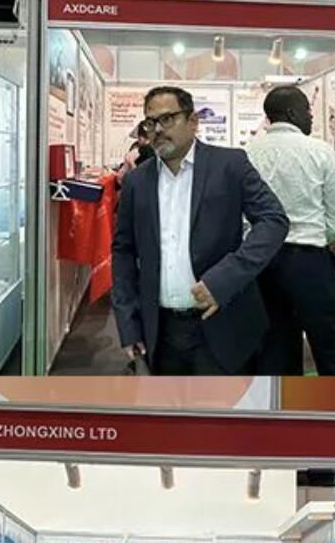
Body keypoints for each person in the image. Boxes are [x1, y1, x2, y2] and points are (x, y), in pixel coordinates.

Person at [111, 86, 289, 375]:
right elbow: (123, 251)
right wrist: (128, 323)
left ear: (193, 121)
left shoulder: (230, 165)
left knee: (223, 404)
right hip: (159, 331)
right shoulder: (136, 181)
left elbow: (273, 220)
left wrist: (225, 278)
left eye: (167, 118)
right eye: (150, 122)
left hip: (222, 322)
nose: (157, 129)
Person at [245, 86, 335, 376]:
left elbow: (241, 216)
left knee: (274, 348)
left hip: (261, 262)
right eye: (308, 111)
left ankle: (281, 404)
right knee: (331, 348)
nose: (311, 117)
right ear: (293, 113)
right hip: (310, 261)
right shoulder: (321, 151)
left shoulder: (248, 153)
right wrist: (317, 239)